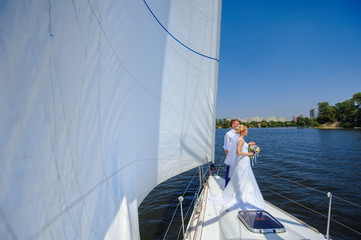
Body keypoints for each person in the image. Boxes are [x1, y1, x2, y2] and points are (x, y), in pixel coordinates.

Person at [213, 125, 265, 211]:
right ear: (243, 131)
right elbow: (238, 152)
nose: (247, 132)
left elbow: (242, 147)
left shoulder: (241, 140)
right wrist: (250, 154)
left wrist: (248, 144)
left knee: (244, 178)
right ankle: (241, 196)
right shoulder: (240, 140)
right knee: (243, 177)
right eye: (246, 130)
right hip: (243, 162)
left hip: (244, 162)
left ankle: (243, 193)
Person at [223, 119, 240, 186]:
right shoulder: (228, 134)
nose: (239, 125)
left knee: (236, 172)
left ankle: (235, 186)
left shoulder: (238, 133)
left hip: (238, 155)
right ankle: (227, 186)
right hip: (231, 155)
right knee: (229, 172)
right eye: (238, 123)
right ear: (233, 125)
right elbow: (226, 146)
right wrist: (228, 157)